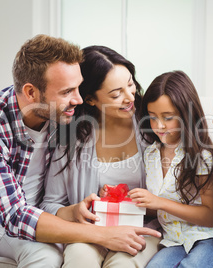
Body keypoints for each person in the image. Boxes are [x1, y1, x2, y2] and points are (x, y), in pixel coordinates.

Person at [0, 35, 160, 267]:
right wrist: (103, 235)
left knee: (48, 259)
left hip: (29, 225)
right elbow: (15, 215)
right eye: (67, 91)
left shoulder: (64, 119)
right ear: (31, 93)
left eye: (79, 88)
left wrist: (74, 211)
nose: (78, 99)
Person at [41, 45, 161, 268]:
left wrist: (137, 203)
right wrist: (77, 210)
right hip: (92, 229)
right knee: (79, 260)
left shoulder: (152, 124)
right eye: (116, 94)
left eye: (130, 84)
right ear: (90, 99)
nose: (129, 97)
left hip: (144, 228)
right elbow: (49, 204)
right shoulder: (70, 136)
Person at [128, 70, 213, 268]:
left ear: (186, 115)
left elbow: (210, 216)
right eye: (152, 117)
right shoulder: (150, 154)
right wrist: (125, 198)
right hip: (173, 240)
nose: (159, 125)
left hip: (208, 237)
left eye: (168, 117)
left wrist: (159, 202)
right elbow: (156, 206)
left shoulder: (201, 155)